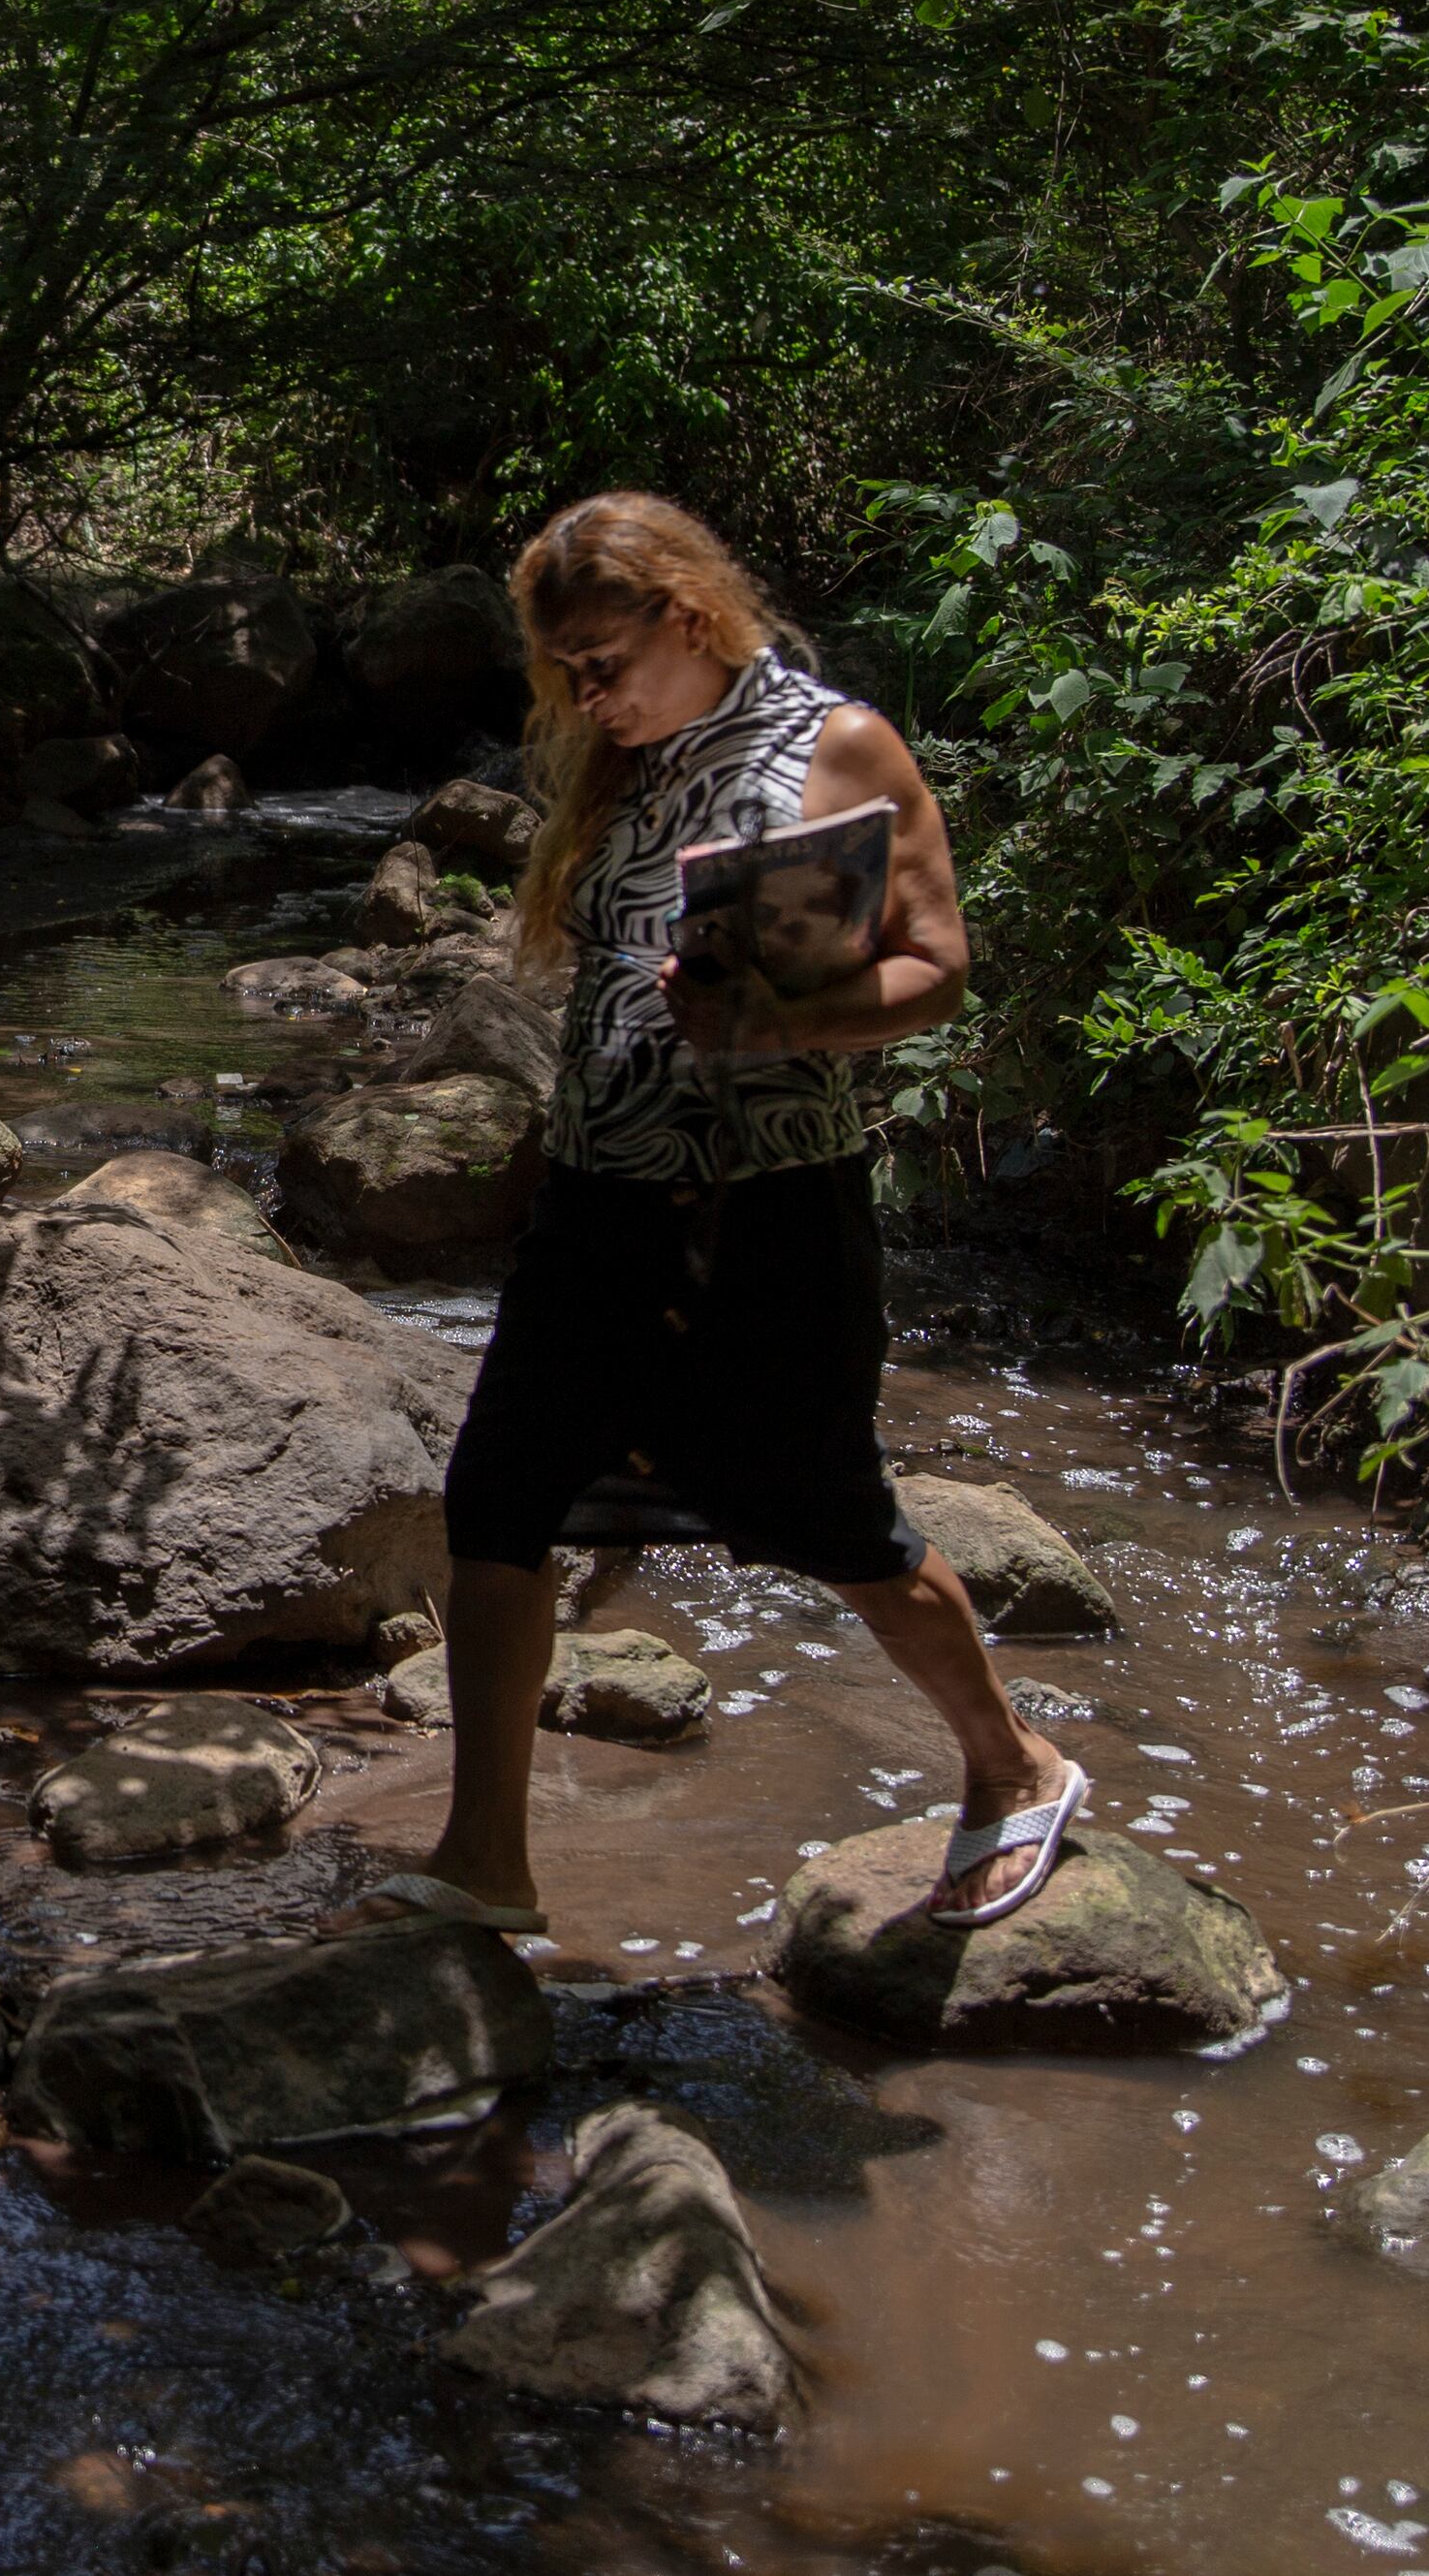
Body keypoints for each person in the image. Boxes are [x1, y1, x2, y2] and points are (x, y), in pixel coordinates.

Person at [357, 492, 1087, 1937]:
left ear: (687, 615)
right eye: (560, 669)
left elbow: (937, 972)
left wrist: (776, 1007)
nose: (582, 694)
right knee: (499, 1498)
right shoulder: (620, 769)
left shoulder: (842, 746)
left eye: (601, 660)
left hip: (767, 1210)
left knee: (823, 1513)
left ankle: (1016, 1763)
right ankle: (485, 1863)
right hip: (597, 1198)